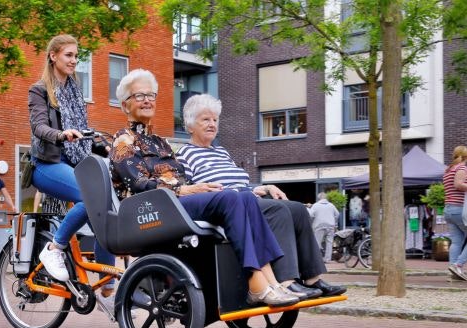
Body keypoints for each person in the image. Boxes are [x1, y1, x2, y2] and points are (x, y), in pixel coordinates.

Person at [109, 69, 299, 307]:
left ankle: (270, 281)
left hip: (175, 204)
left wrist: (196, 188)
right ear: (125, 105)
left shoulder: (162, 143)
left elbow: (182, 178)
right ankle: (256, 281)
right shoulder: (123, 139)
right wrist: (183, 191)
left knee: (244, 197)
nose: (147, 99)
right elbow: (136, 182)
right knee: (230, 198)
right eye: (139, 95)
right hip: (152, 209)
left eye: (151, 95)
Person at [176, 94, 346, 298]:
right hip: (226, 206)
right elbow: (191, 190)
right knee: (278, 210)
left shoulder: (222, 152)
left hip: (246, 198)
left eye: (215, 119)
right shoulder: (184, 154)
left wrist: (262, 187)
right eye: (206, 119)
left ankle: (312, 278)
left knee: (298, 209)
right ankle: (287, 280)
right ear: (190, 124)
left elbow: (240, 184)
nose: (212, 124)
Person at [28, 34, 115, 296]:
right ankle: (54, 248)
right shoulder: (40, 90)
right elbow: (39, 126)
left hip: (76, 162)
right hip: (47, 164)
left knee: (107, 203)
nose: (74, 60)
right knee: (91, 197)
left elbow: (83, 134)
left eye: (77, 56)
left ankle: (107, 279)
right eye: (69, 55)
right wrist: (61, 134)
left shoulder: (75, 91)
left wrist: (106, 146)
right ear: (53, 56)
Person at [443, 145, 467, 281]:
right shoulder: (462, 168)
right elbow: (458, 184)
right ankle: (458, 265)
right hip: (459, 209)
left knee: (457, 241)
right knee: (458, 241)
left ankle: (453, 271)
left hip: (449, 209)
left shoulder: (448, 170)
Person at [309, 192, 340, 263]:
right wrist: (335, 223)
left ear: (319, 198)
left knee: (317, 242)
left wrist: (312, 222)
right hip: (330, 225)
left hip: (318, 225)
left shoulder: (316, 205)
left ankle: (317, 259)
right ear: (326, 198)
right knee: (329, 242)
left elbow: (310, 215)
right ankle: (327, 259)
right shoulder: (331, 205)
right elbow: (337, 214)